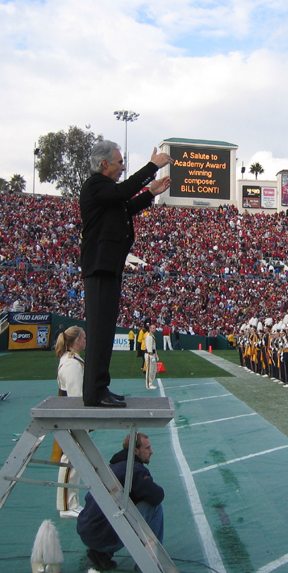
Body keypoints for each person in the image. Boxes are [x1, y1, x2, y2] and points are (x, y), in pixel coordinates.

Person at [79, 140, 172, 408]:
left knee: (105, 330)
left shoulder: (107, 192)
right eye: (119, 162)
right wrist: (151, 168)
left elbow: (125, 206)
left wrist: (150, 192)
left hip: (108, 266)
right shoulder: (96, 185)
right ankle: (94, 393)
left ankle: (100, 388)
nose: (122, 167)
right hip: (99, 266)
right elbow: (123, 193)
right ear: (104, 163)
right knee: (98, 331)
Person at [77, 432, 165, 570]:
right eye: (147, 448)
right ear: (135, 451)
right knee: (154, 507)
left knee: (117, 509)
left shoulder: (112, 467)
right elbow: (157, 495)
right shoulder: (134, 470)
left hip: (88, 532)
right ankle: (150, 561)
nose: (151, 452)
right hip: (103, 536)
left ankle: (100, 554)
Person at [52, 326, 86, 518]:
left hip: (70, 413)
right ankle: (66, 505)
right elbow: (76, 396)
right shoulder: (72, 363)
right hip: (72, 416)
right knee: (70, 459)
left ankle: (71, 502)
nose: (85, 341)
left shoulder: (70, 359)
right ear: (77, 341)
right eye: (84, 338)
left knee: (74, 460)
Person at [144, 321, 158, 390]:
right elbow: (149, 347)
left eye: (155, 328)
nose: (154, 329)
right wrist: (151, 355)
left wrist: (156, 356)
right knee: (149, 370)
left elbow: (154, 347)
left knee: (153, 369)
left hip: (152, 354)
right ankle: (149, 384)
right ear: (150, 329)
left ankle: (151, 382)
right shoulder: (149, 336)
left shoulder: (152, 336)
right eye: (153, 328)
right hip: (149, 355)